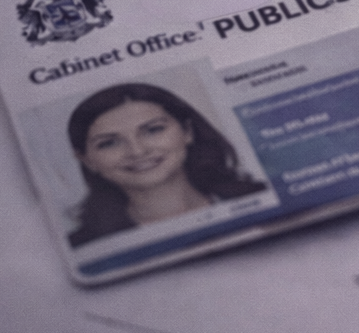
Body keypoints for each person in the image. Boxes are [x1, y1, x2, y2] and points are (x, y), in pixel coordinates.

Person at [66, 83, 266, 247]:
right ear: (86, 160)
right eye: (109, 143)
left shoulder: (261, 196)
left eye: (153, 130)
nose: (137, 151)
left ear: (187, 131)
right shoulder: (83, 246)